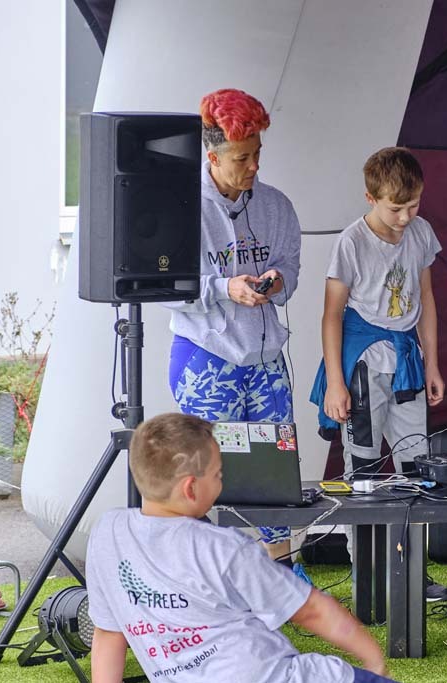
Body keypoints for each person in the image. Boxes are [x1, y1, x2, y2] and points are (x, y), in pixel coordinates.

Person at [86, 412, 395, 683]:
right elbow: (310, 610)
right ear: (190, 488)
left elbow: (109, 633)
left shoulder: (107, 534)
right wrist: (372, 656)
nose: (221, 481)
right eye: (218, 474)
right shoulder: (223, 547)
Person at [163, 88, 301, 569]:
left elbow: (291, 267)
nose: (253, 166)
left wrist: (278, 280)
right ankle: (206, 578)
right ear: (213, 156)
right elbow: (167, 288)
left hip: (266, 361)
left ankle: (281, 575)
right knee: (205, 477)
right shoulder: (181, 208)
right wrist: (225, 288)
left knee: (275, 474)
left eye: (257, 153)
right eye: (242, 158)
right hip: (207, 357)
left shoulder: (276, 206)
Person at [309, 147, 447, 602]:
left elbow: (426, 299)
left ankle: (413, 573)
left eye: (414, 205)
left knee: (415, 466)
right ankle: (366, 572)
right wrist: (336, 382)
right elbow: (331, 315)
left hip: (407, 360)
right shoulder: (351, 242)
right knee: (364, 470)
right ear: (371, 198)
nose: (406, 217)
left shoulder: (421, 232)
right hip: (363, 364)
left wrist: (432, 362)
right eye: (396, 208)